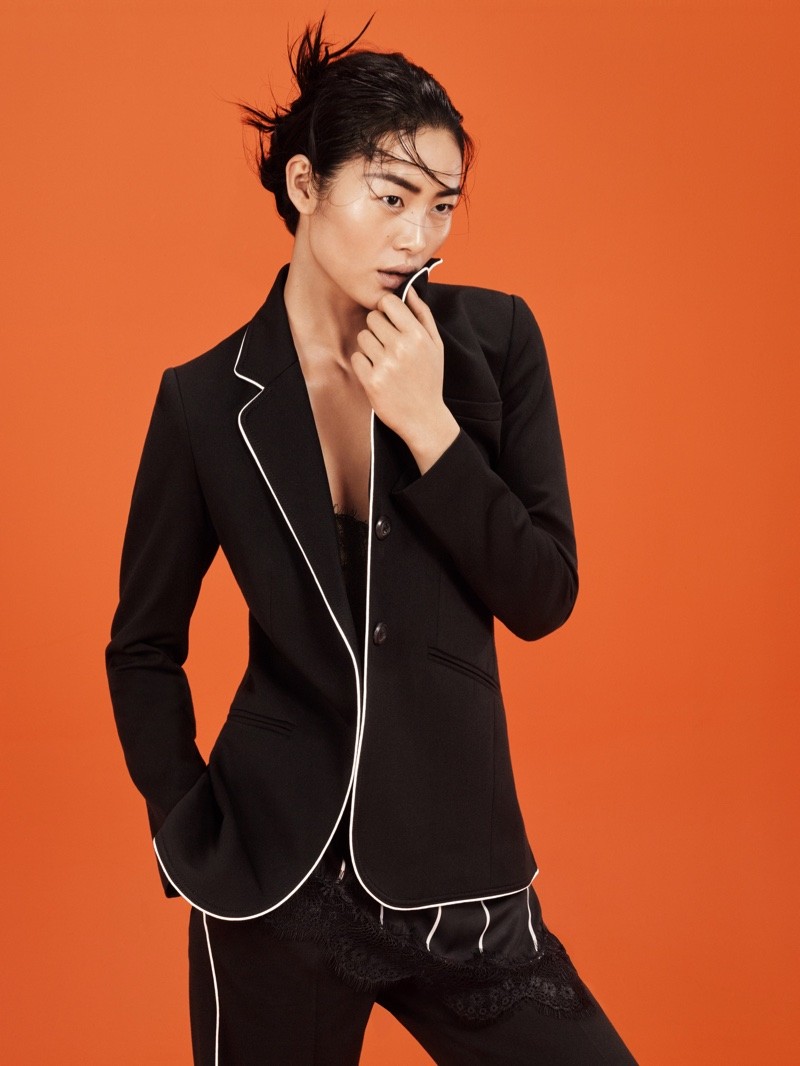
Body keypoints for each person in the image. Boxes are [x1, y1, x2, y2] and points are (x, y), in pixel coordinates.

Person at [106, 15, 638, 1065]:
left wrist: (429, 427)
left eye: (441, 205)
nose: (418, 236)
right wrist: (186, 827)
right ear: (305, 185)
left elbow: (543, 594)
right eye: (390, 198)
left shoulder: (493, 345)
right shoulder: (205, 402)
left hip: (462, 882)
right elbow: (142, 644)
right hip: (277, 888)